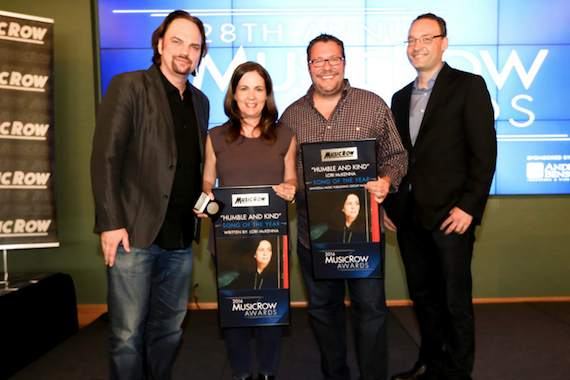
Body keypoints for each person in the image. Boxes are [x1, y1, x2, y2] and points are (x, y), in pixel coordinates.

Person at [279, 34, 408, 380]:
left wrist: (386, 181)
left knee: (371, 311)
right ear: (308, 67)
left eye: (333, 59)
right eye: (318, 61)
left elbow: (397, 156)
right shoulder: (290, 117)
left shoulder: (373, 104)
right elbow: (284, 172)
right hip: (314, 234)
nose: (326, 67)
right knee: (323, 312)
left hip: (364, 234)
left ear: (344, 62)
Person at [90, 10, 209, 380]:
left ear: (200, 55)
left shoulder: (201, 101)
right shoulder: (129, 86)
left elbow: (189, 164)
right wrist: (111, 223)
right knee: (126, 335)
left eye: (194, 46)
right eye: (177, 41)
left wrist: (203, 198)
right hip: (133, 237)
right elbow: (105, 157)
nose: (184, 52)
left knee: (169, 330)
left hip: (180, 238)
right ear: (159, 44)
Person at [384, 13, 497, 380]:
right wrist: (389, 204)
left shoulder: (468, 86)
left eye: (426, 38)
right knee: (423, 298)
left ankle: (459, 371)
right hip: (408, 216)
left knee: (455, 301)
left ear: (443, 42)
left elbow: (485, 154)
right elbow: (396, 158)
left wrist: (469, 206)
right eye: (411, 40)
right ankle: (430, 363)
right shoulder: (399, 98)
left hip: (452, 216)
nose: (417, 46)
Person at [199, 61, 297, 380]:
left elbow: (292, 181)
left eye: (258, 88)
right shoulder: (215, 136)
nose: (251, 96)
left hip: (272, 239)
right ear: (233, 94)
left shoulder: (285, 135)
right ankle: (241, 372)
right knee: (236, 310)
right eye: (244, 88)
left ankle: (268, 371)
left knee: (269, 308)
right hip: (229, 239)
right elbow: (206, 184)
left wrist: (291, 190)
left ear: (267, 94)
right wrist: (205, 202)